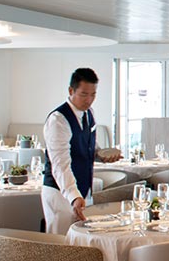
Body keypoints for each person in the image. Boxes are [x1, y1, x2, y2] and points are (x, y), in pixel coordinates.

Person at [41, 68, 121, 235]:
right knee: (61, 244)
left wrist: (101, 155)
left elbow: (86, 145)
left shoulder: (89, 114)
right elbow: (60, 165)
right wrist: (74, 196)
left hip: (83, 190)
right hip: (60, 193)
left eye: (93, 94)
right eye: (84, 94)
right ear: (71, 91)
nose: (89, 100)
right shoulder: (58, 120)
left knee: (83, 242)